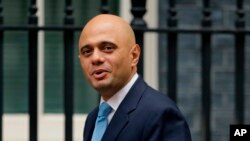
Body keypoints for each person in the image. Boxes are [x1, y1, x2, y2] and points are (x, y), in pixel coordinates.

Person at [78, 14, 192, 141]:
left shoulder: (161, 115)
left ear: (134, 55)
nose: (95, 58)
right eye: (87, 51)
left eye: (107, 48)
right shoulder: (93, 119)